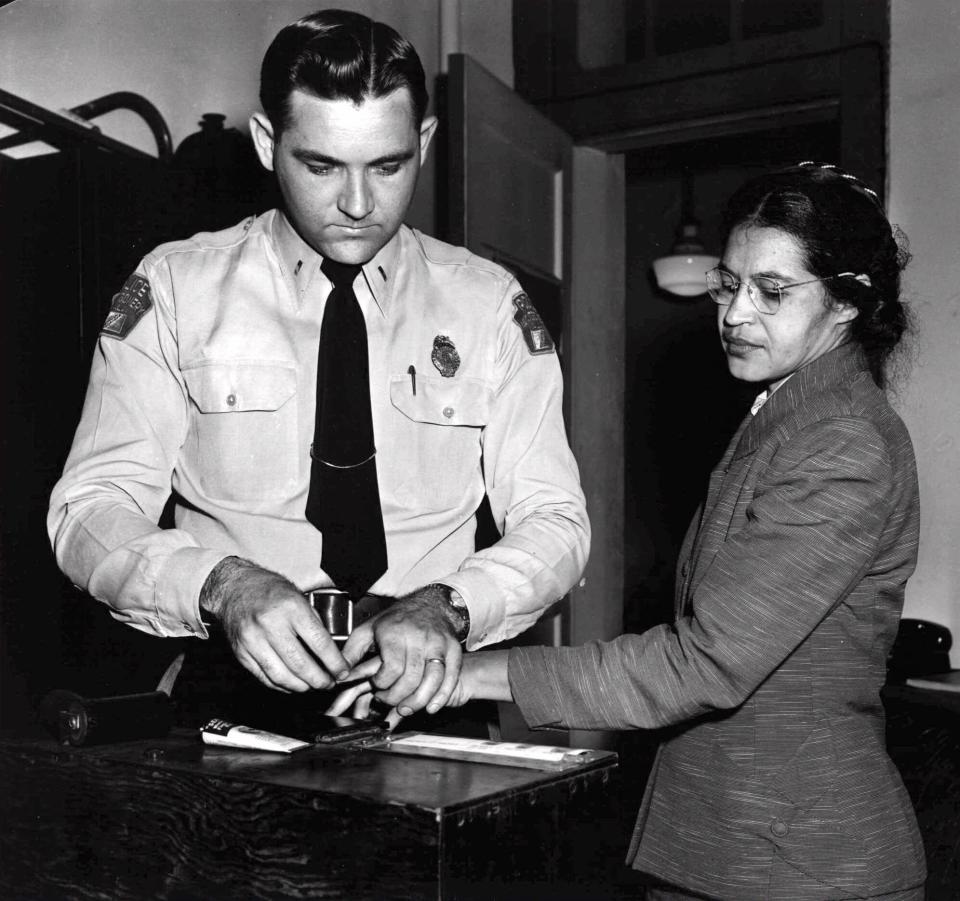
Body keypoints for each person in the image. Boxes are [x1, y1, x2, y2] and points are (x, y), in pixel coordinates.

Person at [336, 162, 926, 898]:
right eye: (728, 283)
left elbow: (706, 663)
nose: (736, 313)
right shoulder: (792, 413)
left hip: (798, 860)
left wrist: (466, 673)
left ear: (847, 303)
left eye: (772, 292)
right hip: (737, 846)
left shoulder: (842, 441)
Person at [47, 9, 588, 729]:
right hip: (227, 697)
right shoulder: (177, 288)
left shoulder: (488, 305)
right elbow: (88, 509)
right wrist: (222, 585)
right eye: (323, 166)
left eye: (389, 166)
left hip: (425, 694)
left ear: (423, 141)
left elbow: (555, 520)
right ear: (269, 143)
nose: (359, 205)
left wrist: (452, 605)